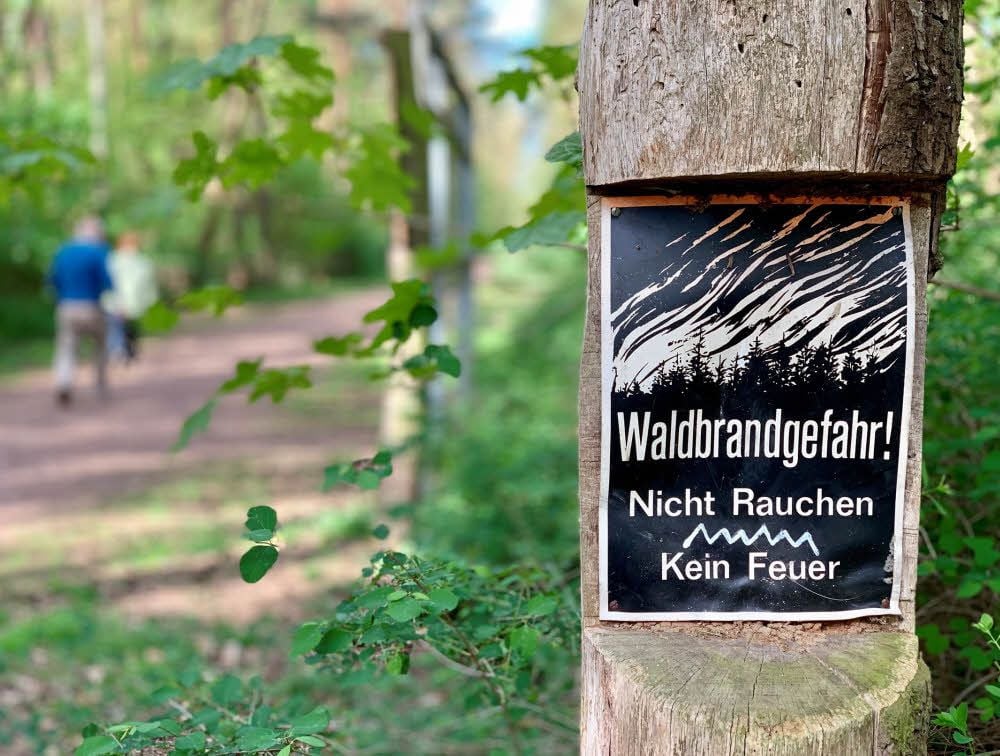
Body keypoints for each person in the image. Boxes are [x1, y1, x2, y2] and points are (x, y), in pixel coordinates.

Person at [48, 216, 113, 407]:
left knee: (66, 348)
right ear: (95, 233)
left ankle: (64, 382)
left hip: (66, 306)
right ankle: (100, 384)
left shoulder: (62, 252)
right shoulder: (97, 252)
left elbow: (51, 280)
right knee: (100, 346)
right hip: (92, 306)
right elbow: (108, 282)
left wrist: (62, 296)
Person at [103, 231, 157, 362]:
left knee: (120, 329)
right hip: (124, 303)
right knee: (121, 329)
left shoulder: (111, 260)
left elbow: (148, 285)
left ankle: (120, 351)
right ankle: (121, 351)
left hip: (117, 303)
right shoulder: (114, 260)